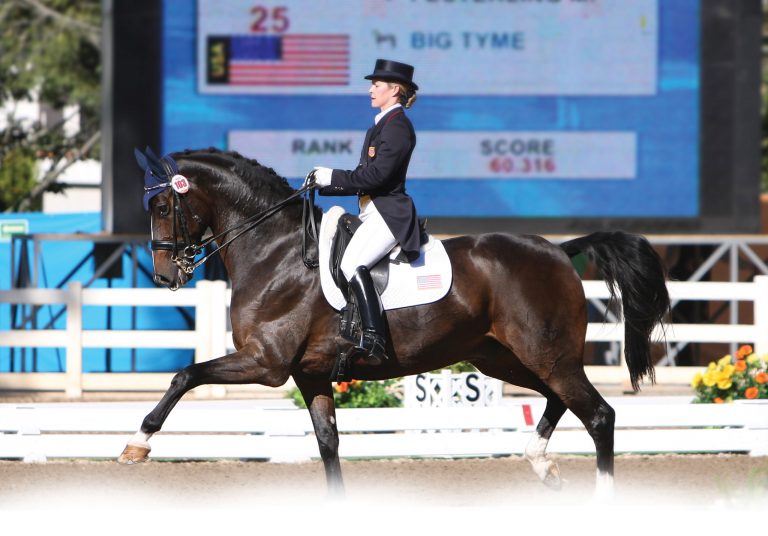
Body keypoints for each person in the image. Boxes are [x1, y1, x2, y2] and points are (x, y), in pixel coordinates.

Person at [309, 58, 422, 366]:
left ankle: (374, 339)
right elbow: (362, 175)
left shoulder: (397, 127)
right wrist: (322, 185)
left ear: (395, 89)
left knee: (351, 264)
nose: (371, 89)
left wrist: (332, 176)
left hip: (389, 212)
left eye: (377, 84)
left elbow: (378, 178)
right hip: (372, 211)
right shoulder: (381, 124)